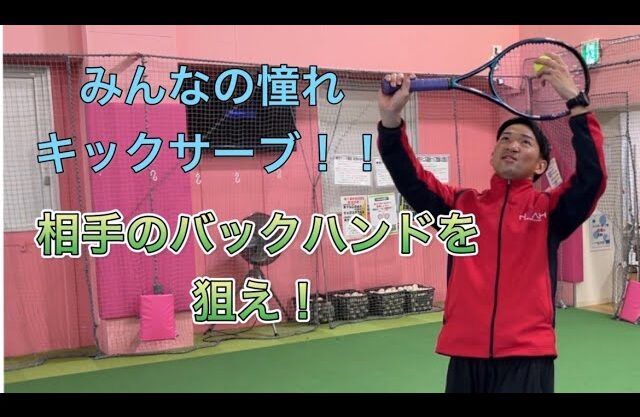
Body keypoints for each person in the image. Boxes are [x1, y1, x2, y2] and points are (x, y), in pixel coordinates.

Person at [377, 52, 607, 393]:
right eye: (505, 138)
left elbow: (592, 177)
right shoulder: (460, 206)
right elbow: (409, 178)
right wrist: (390, 119)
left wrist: (576, 101)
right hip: (465, 355)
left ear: (541, 166)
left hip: (527, 356)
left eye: (525, 142)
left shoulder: (550, 211)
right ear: (493, 155)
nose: (512, 145)